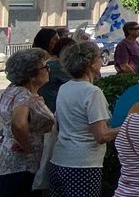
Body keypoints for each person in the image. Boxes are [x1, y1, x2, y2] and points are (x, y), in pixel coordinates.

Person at [49, 41, 118, 197]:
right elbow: (101, 136)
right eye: (99, 57)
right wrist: (129, 125)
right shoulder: (92, 92)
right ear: (90, 64)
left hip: (59, 159)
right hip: (83, 164)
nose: (102, 60)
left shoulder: (64, 88)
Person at [0, 48, 54, 196]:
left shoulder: (12, 90)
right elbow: (18, 124)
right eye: (45, 67)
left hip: (9, 161)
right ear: (31, 76)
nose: (48, 69)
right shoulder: (24, 96)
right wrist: (28, 149)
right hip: (22, 166)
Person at [39, 37, 74, 113]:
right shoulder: (58, 67)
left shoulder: (49, 63)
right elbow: (76, 83)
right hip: (54, 107)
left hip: (47, 105)